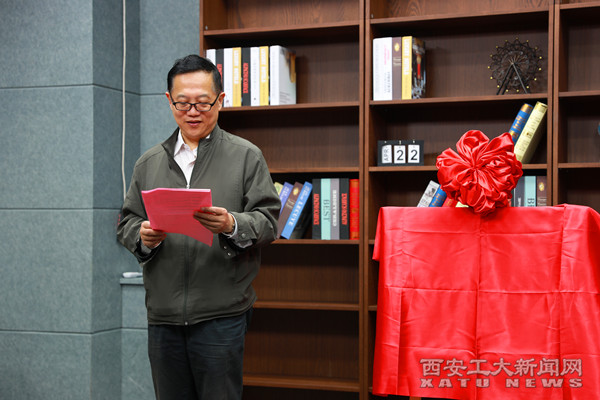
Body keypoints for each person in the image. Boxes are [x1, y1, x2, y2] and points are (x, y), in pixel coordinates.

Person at [117, 54, 280, 400]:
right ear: (169, 101)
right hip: (163, 316)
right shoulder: (149, 163)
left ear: (220, 101)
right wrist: (142, 236)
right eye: (183, 103)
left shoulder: (246, 156)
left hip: (222, 315)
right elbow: (126, 222)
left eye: (203, 103)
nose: (193, 112)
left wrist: (231, 223)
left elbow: (268, 221)